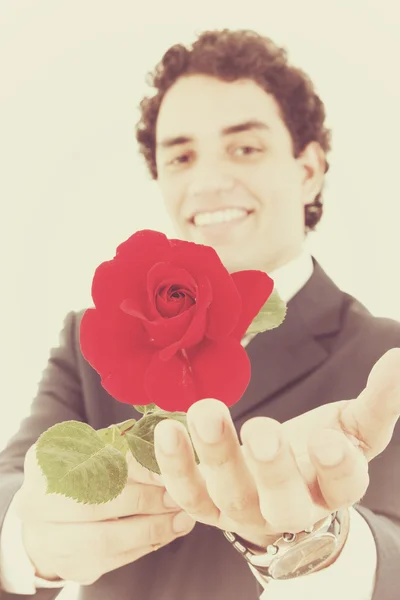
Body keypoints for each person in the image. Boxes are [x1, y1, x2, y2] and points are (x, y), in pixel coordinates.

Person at [1, 28, 400, 600]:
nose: (209, 181)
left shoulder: (384, 359)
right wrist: (28, 539)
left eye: (245, 147)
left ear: (308, 169)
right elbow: (12, 480)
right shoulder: (90, 340)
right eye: (182, 156)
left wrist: (326, 549)